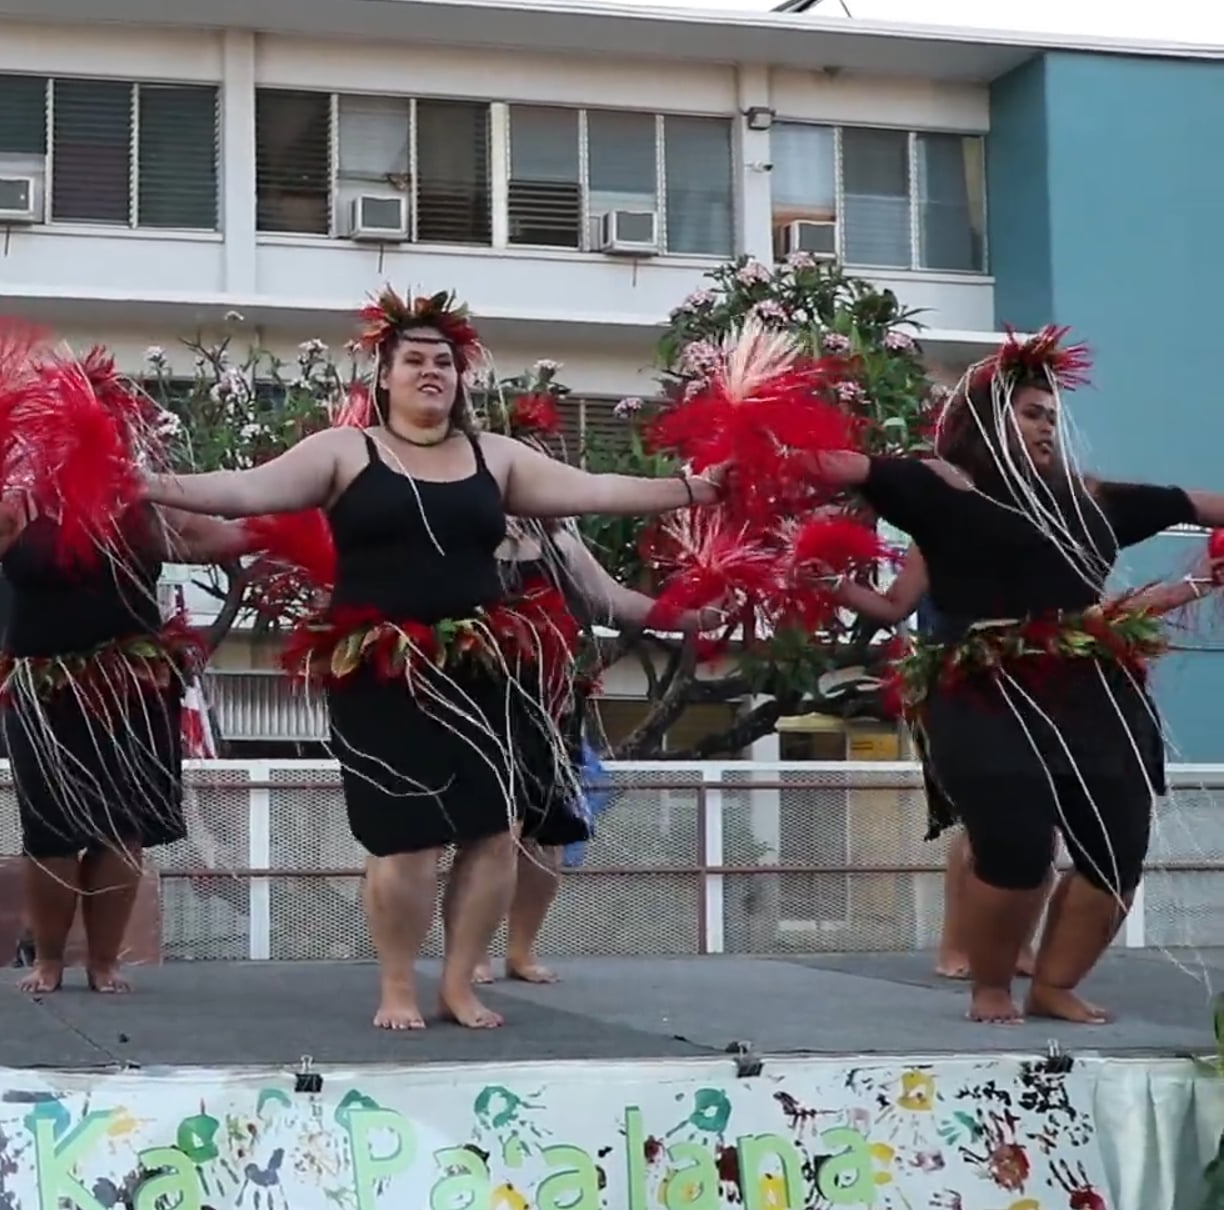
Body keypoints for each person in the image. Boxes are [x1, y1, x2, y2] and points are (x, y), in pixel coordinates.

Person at [142, 288, 727, 1030]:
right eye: (414, 360)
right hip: (381, 669)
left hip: (482, 669)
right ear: (383, 376)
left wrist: (691, 488)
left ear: (460, 378)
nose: (430, 372)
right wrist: (147, 484)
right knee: (406, 839)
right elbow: (242, 489)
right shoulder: (342, 451)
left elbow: (600, 489)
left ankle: (458, 982)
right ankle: (397, 985)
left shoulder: (496, 457)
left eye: (444, 362)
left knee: (494, 830)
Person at [805, 328, 1224, 1023]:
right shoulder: (939, 491)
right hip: (984, 689)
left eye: (1053, 417)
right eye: (1032, 413)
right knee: (1015, 843)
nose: (1048, 427)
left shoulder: (1093, 500)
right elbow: (839, 468)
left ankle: (1055, 985)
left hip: (1093, 692)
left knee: (1117, 849)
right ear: (986, 424)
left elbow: (1198, 503)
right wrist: (750, 457)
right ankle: (991, 986)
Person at [0, 383, 248, 994]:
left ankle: (104, 962)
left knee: (121, 828)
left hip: (132, 690)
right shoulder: (19, 511)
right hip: (45, 693)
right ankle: (49, 958)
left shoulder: (142, 509)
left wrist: (306, 520)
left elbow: (223, 537)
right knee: (49, 830)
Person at [476, 512, 715, 985]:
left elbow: (615, 599)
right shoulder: (463, 527)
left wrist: (690, 619)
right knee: (492, 835)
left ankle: (521, 951)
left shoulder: (558, 539)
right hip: (480, 698)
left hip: (552, 702)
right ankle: (473, 951)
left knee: (548, 838)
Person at [827, 547, 1041, 979]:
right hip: (959, 685)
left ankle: (1017, 943)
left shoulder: (1036, 530)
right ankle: (956, 947)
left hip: (1032, 680)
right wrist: (834, 583)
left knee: (1039, 820)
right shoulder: (939, 534)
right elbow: (895, 605)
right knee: (984, 822)